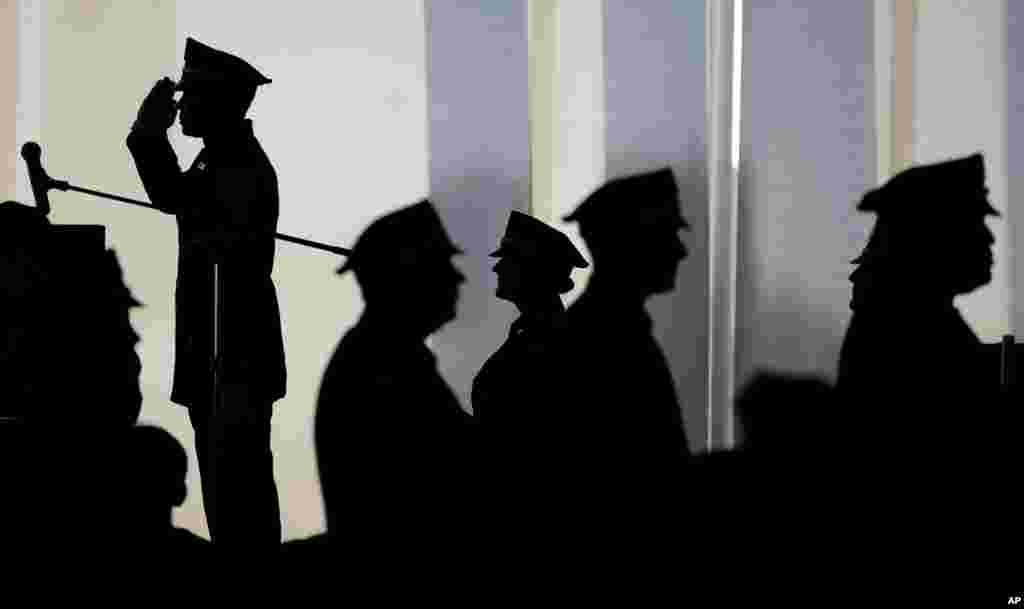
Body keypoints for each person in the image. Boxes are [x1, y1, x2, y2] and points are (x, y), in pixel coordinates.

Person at [126, 37, 285, 549]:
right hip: (221, 353)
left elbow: (175, 201)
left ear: (216, 103)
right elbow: (175, 198)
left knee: (238, 495)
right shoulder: (218, 159)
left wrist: (149, 134)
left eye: (190, 96)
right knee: (229, 490)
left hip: (231, 354)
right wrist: (148, 135)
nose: (182, 106)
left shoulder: (234, 166)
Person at [315, 200, 473, 559]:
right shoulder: (385, 366)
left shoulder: (384, 355)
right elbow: (458, 465)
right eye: (442, 265)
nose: (458, 277)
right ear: (410, 278)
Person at [562, 167, 692, 477]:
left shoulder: (606, 328)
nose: (681, 251)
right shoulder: (604, 340)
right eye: (667, 235)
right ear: (631, 244)